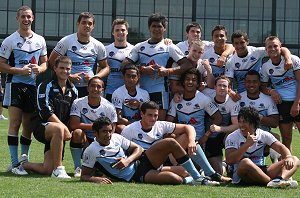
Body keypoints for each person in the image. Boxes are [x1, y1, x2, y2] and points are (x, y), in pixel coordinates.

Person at [81, 116, 218, 185]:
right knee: (175, 179)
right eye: (104, 132)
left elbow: (138, 149)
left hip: (142, 161)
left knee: (170, 142)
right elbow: (84, 175)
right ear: (95, 132)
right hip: (134, 176)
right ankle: (192, 179)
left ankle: (198, 177)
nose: (108, 135)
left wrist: (127, 160)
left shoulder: (116, 138)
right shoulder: (91, 150)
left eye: (110, 131)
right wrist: (96, 179)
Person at [123, 101, 229, 183]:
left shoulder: (160, 125)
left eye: (155, 115)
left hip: (163, 161)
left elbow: (189, 127)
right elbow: (121, 149)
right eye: (150, 115)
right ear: (142, 114)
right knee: (180, 172)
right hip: (145, 164)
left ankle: (211, 173)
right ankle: (198, 178)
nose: (153, 118)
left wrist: (192, 141)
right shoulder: (130, 129)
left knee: (187, 139)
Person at [0, 6, 47, 174]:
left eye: (28, 17)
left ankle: (23, 161)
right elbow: (1, 65)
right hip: (15, 85)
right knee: (15, 123)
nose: (26, 20)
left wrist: (39, 69)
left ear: (33, 18)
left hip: (32, 87)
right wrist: (19, 71)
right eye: (23, 17)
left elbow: (45, 63)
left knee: (28, 125)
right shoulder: (9, 41)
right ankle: (14, 164)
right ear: (17, 19)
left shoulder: (40, 40)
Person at [123, 13, 194, 120]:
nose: (156, 29)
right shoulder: (139, 47)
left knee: (158, 124)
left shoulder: (169, 47)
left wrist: (168, 71)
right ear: (149, 28)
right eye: (154, 26)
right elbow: (124, 65)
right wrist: (142, 69)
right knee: (139, 123)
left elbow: (187, 65)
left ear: (164, 28)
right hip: (140, 91)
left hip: (160, 91)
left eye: (159, 26)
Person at [19, 56, 78, 178]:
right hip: (41, 127)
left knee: (47, 169)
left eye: (68, 69)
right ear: (55, 68)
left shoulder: (74, 90)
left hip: (59, 133)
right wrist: (63, 127)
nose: (65, 71)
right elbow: (45, 111)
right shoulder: (45, 85)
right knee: (58, 128)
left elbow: (74, 113)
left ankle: (23, 165)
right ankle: (59, 170)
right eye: (61, 68)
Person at [225, 107, 299, 188]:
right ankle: (271, 182)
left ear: (254, 123)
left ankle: (279, 179)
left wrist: (288, 157)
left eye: (245, 122)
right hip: (242, 173)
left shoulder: (263, 134)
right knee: (245, 162)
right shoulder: (232, 137)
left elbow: (281, 147)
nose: (241, 125)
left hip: (262, 170)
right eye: (240, 122)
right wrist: (246, 145)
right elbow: (229, 160)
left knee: (295, 159)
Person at [48, 12, 109, 98]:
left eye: (90, 23)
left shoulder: (98, 45)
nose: (87, 25)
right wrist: (68, 76)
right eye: (83, 22)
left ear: (93, 26)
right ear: (78, 24)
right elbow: (51, 63)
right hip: (68, 86)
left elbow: (106, 67)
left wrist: (94, 77)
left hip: (89, 89)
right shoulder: (66, 41)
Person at [69, 76, 117, 177]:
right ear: (87, 88)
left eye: (98, 87)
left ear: (102, 90)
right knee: (77, 132)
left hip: (101, 137)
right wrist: (97, 127)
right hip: (85, 138)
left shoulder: (109, 106)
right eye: (92, 86)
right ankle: (78, 167)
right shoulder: (78, 102)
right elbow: (74, 124)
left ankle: (100, 166)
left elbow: (112, 128)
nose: (95, 89)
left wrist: (101, 139)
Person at [260, 36, 300, 151]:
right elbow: (263, 86)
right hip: (282, 105)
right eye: (269, 47)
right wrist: (271, 91)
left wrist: (297, 103)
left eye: (275, 46)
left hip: (297, 101)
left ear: (280, 47)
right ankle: (290, 166)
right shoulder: (266, 66)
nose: (272, 49)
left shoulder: (293, 59)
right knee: (286, 139)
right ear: (266, 49)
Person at [225, 30, 292, 95]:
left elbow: (281, 49)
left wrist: (288, 59)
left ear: (247, 42)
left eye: (242, 42)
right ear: (233, 45)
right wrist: (231, 92)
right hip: (241, 94)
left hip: (259, 91)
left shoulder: (256, 52)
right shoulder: (230, 61)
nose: (239, 46)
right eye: (236, 43)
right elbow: (228, 81)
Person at [240, 70, 281, 162]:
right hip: (243, 136)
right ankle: (229, 165)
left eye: (254, 81)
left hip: (263, 135)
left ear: (259, 83)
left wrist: (257, 116)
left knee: (276, 137)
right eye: (248, 81)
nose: (251, 84)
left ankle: (278, 168)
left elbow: (274, 123)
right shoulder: (238, 98)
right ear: (244, 82)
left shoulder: (268, 99)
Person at [202, 76, 240, 174]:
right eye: (219, 85)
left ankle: (232, 164)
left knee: (233, 137)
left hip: (225, 134)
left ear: (229, 88)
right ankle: (223, 165)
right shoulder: (207, 95)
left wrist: (220, 129)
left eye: (224, 86)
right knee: (218, 172)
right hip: (210, 136)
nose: (222, 88)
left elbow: (236, 125)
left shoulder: (233, 102)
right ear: (214, 87)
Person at [112, 63, 149, 129]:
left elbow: (149, 114)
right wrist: (134, 127)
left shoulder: (144, 93)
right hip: (127, 126)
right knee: (120, 128)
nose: (131, 79)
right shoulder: (117, 93)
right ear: (123, 77)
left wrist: (139, 104)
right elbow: (118, 118)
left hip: (141, 125)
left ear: (138, 77)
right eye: (128, 76)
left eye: (133, 76)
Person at [104, 19, 134, 102]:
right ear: (113, 32)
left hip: (128, 92)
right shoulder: (106, 49)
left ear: (127, 32)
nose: (120, 32)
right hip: (110, 91)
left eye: (123, 30)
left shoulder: (134, 49)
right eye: (117, 30)